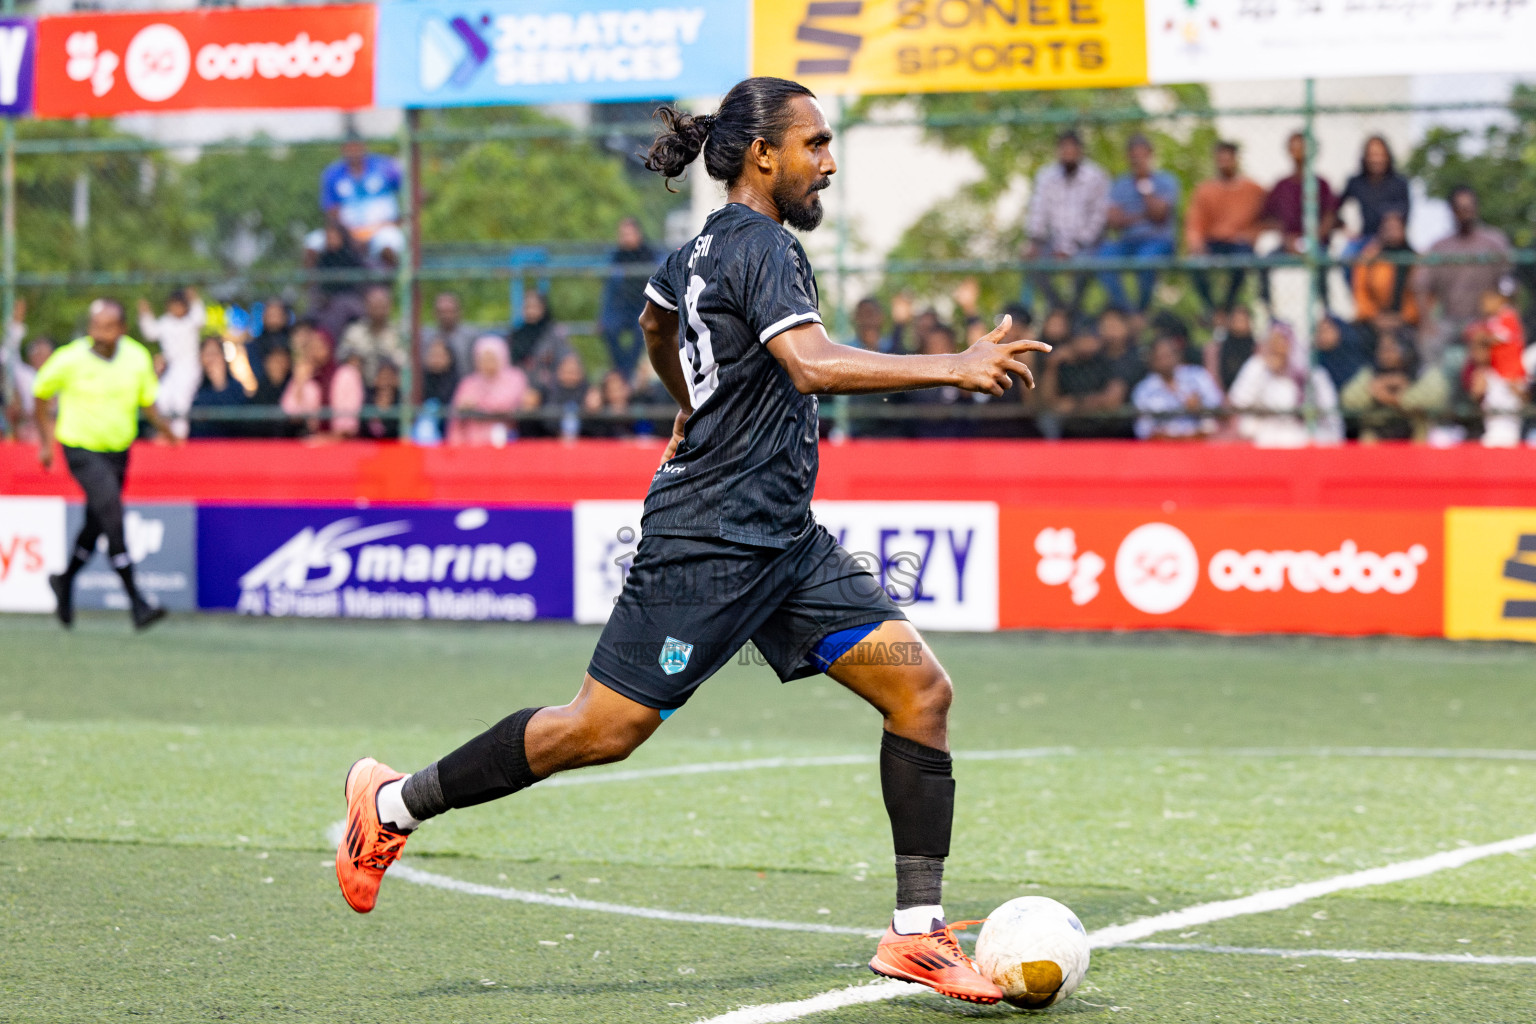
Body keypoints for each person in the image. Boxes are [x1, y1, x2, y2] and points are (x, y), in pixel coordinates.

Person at [334, 76, 1048, 1008]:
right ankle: (389, 805)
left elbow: (654, 323)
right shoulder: (765, 250)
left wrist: (687, 403)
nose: (829, 162)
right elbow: (811, 363)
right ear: (765, 156)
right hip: (704, 544)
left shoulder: (699, 249)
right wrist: (950, 366)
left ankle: (917, 934)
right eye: (816, 145)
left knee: (919, 690)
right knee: (601, 730)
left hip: (784, 545)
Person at [31, 298, 180, 631]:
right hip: (80, 449)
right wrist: (45, 442)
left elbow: (149, 405)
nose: (99, 333)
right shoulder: (69, 359)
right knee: (112, 513)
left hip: (118, 452)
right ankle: (137, 602)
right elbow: (40, 394)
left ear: (122, 329)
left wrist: (169, 433)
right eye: (95, 326)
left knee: (95, 522)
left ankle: (64, 580)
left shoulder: (136, 358)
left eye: (107, 327)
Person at [1414, 186, 1512, 370]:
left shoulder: (1494, 241)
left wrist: (1500, 314)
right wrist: (1426, 322)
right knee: (1428, 341)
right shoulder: (1440, 247)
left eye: (1469, 207)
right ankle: (1432, 389)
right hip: (1450, 319)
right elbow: (1420, 284)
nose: (1465, 213)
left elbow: (1509, 280)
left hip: (1484, 319)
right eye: (1460, 208)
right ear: (1452, 211)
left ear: (1476, 208)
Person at [1024, 129, 1110, 317]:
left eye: (1072, 148)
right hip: (1053, 242)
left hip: (1086, 243)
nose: (1068, 152)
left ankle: (1074, 311)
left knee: (1086, 264)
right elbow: (1038, 211)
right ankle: (1058, 308)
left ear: (1080, 151)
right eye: (1064, 148)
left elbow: (1099, 217)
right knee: (1030, 259)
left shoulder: (1096, 176)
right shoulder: (1046, 176)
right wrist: (1035, 241)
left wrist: (1071, 248)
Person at [1096, 133, 1179, 315]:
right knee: (1102, 258)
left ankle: (1143, 309)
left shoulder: (1167, 181)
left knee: (1145, 262)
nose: (1137, 159)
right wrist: (1143, 216)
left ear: (1150, 155)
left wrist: (1145, 186)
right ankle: (1128, 312)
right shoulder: (1120, 184)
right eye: (1133, 155)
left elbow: (1159, 215)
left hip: (1157, 241)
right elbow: (1113, 221)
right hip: (1128, 241)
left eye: (1142, 154)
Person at [1186, 141, 1268, 321]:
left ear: (1235, 160)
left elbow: (1268, 216)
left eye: (1227, 158)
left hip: (1239, 243)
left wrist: (1252, 235)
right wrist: (1196, 243)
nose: (1223, 162)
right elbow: (1195, 222)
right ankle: (1211, 308)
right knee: (1194, 264)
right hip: (1213, 241)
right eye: (1220, 158)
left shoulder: (1252, 188)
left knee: (1243, 258)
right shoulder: (1205, 190)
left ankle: (1230, 305)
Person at [1227, 323, 1342, 447]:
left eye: (1279, 346)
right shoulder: (1258, 367)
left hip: (1302, 439)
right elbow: (1238, 402)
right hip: (1264, 438)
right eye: (1271, 345)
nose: (1274, 350)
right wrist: (1259, 369)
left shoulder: (1313, 375)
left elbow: (1331, 415)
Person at [1261, 131, 1338, 311]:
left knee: (1323, 263)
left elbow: (1330, 216)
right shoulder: (1281, 186)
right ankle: (1268, 309)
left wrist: (1313, 239)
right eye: (1294, 146)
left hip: (1316, 244)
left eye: (1302, 146)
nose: (1298, 151)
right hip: (1288, 244)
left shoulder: (1322, 184)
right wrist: (1287, 240)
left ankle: (1326, 310)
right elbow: (1270, 218)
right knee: (1263, 263)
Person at [309, 135, 404, 268]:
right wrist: (343, 233)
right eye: (349, 148)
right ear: (342, 150)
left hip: (381, 228)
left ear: (364, 147)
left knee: (388, 243)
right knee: (313, 243)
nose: (353, 151)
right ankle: (312, 287)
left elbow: (411, 193)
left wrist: (397, 222)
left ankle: (385, 285)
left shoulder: (385, 167)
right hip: (347, 232)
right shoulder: (333, 173)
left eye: (356, 147)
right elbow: (331, 211)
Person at [1338, 136, 1410, 280]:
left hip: (1393, 241)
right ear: (1365, 157)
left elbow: (1404, 216)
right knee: (1346, 259)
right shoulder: (1356, 182)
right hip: (1364, 238)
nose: (1376, 159)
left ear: (1387, 156)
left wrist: (1381, 242)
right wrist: (1344, 228)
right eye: (1372, 155)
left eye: (1380, 154)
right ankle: (1360, 298)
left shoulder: (1399, 183)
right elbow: (1334, 207)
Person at [138, 288, 206, 438]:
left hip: (189, 367)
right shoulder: (165, 322)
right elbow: (150, 332)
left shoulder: (190, 322)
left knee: (181, 400)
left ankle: (180, 434)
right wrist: (145, 314)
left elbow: (200, 318)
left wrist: (195, 300)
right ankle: (166, 432)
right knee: (162, 397)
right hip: (172, 368)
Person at [1131, 334, 1224, 440]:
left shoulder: (1197, 376)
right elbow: (1142, 430)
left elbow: (1220, 411)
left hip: (1200, 444)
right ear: (1152, 360)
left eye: (1168, 355)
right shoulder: (1143, 390)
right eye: (1160, 357)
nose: (1165, 361)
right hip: (1162, 448)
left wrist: (1199, 407)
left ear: (1177, 355)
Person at [600, 217, 659, 379]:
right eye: (622, 234)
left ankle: (626, 372)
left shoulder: (650, 255)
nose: (625, 238)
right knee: (609, 329)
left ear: (638, 234)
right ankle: (623, 371)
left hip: (643, 305)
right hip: (622, 307)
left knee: (642, 330)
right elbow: (609, 292)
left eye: (629, 234)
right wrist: (603, 317)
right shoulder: (616, 257)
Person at [448, 334, 529, 446]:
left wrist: (477, 405)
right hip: (471, 443)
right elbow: (456, 415)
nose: (488, 363)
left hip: (507, 439)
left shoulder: (515, 378)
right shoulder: (469, 383)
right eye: (484, 359)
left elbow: (507, 404)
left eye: (492, 358)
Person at [1352, 209, 1419, 333]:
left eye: (1396, 228)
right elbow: (1360, 292)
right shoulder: (1369, 258)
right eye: (1388, 228)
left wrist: (1403, 318)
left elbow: (1422, 296)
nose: (1392, 233)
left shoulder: (1415, 260)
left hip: (1408, 324)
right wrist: (1375, 317)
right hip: (1373, 322)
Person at [337, 285, 404, 387]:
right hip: (360, 388)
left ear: (389, 306)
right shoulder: (354, 332)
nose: (378, 310)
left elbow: (404, 363)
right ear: (366, 306)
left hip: (391, 389)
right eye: (374, 306)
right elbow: (341, 358)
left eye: (382, 305)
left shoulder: (398, 333)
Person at [510, 290, 573, 392]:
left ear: (543, 308)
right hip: (522, 389)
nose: (531, 311)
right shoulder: (517, 335)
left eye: (535, 307)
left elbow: (565, 359)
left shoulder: (554, 333)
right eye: (527, 307)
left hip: (551, 387)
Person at [188, 336, 248, 438]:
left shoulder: (236, 387)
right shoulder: (193, 387)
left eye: (215, 354)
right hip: (202, 446)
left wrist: (220, 384)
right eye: (207, 354)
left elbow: (239, 423)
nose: (212, 359)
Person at [5, 337, 53, 443]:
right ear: (30, 356)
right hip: (27, 427)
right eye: (37, 353)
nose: (40, 357)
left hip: (51, 427)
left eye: (44, 354)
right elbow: (10, 353)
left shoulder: (58, 374)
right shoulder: (23, 374)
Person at [1205, 305, 1257, 393]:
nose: (1240, 324)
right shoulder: (1216, 350)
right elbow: (1212, 380)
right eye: (1237, 320)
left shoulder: (1258, 350)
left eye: (1243, 320)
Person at [422, 292, 477, 375]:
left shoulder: (471, 336)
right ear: (434, 313)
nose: (446, 316)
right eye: (442, 312)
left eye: (450, 311)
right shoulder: (425, 337)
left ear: (459, 312)